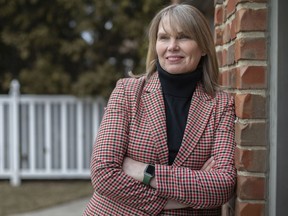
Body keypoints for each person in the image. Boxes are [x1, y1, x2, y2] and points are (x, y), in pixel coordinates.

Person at [83, 3, 236, 216]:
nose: (172, 46)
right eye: (164, 37)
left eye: (183, 37)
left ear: (203, 48)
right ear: (155, 45)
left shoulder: (221, 105)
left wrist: (145, 171)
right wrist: (177, 201)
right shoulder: (127, 92)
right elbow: (103, 173)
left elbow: (222, 186)